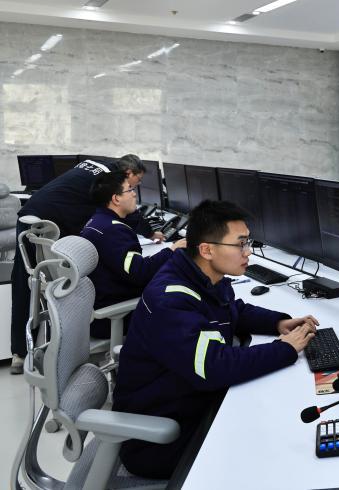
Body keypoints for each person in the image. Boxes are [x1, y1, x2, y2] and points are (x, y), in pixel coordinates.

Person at [113, 200, 318, 479]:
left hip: (190, 402)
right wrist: (284, 349)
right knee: (279, 446)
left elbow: (232, 310)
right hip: (162, 438)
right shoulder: (170, 299)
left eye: (248, 242)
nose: (248, 252)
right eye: (241, 244)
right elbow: (214, 367)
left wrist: (276, 322)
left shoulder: (201, 276)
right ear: (207, 250)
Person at [9, 154, 148, 374]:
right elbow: (120, 212)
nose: (134, 190)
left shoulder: (94, 164)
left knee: (25, 284)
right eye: (134, 185)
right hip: (50, 220)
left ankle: (21, 353)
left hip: (30, 215)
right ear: (128, 173)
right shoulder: (108, 178)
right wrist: (150, 232)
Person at [80, 171, 186, 339]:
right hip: (113, 316)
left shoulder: (96, 221)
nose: (134, 194)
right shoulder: (114, 230)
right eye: (129, 189)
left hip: (97, 307)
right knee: (183, 299)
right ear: (116, 199)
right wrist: (172, 249)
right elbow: (141, 273)